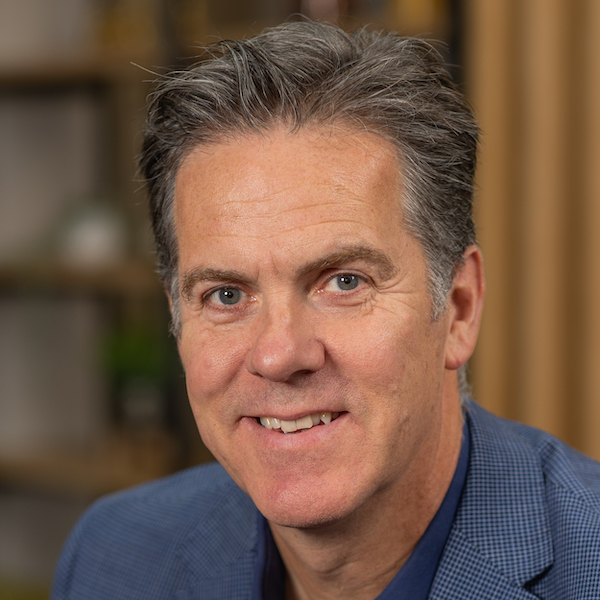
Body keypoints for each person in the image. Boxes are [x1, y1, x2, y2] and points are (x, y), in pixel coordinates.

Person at [52, 20, 600, 600]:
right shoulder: (113, 555)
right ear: (178, 317)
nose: (279, 354)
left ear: (459, 307)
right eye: (227, 295)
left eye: (343, 281)